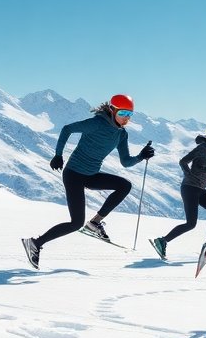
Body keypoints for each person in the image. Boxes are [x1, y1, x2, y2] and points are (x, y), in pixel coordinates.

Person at [21, 94, 155, 268]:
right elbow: (67, 129)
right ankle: (35, 243)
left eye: (130, 114)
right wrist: (58, 155)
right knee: (76, 222)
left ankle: (95, 223)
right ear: (112, 110)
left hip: (91, 176)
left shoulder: (121, 134)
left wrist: (141, 156)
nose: (126, 118)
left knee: (124, 185)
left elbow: (126, 162)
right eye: (123, 113)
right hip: (73, 175)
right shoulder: (97, 123)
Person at [150, 123, 206, 261]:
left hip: (198, 188)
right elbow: (184, 161)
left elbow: (201, 167)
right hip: (190, 188)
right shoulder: (204, 147)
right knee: (191, 223)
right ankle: (162, 241)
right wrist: (191, 175)